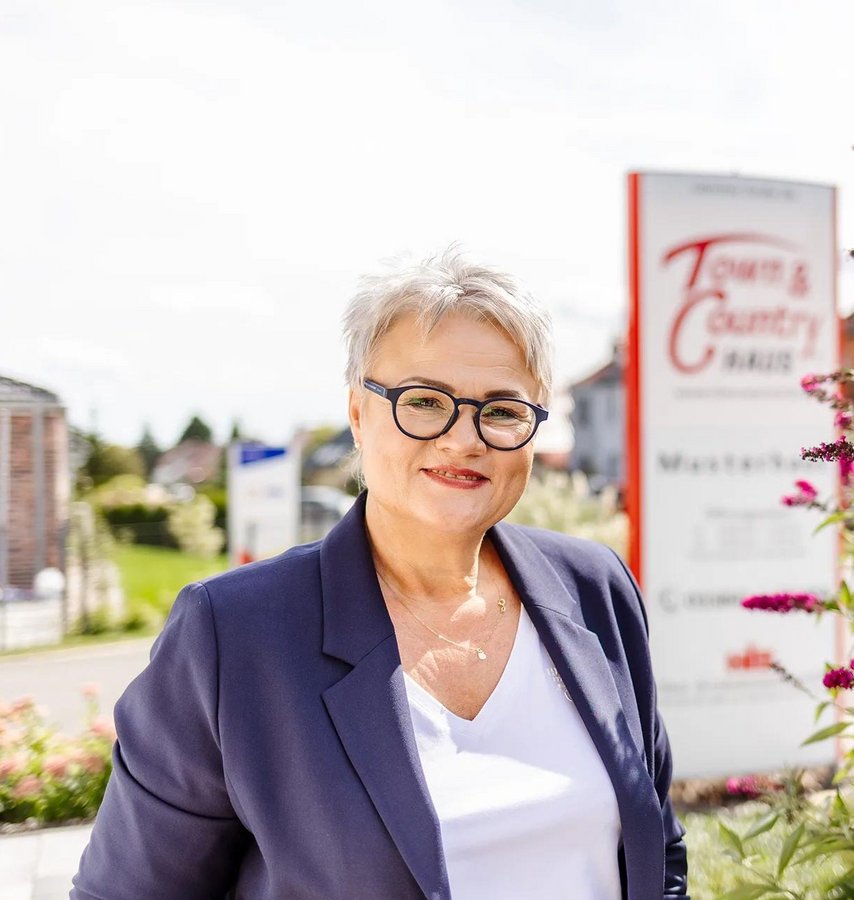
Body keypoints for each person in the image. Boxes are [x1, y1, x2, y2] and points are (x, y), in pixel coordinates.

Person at [71, 249, 688, 900]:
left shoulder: (595, 590)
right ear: (358, 414)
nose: (464, 439)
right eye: (423, 401)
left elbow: (657, 849)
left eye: (502, 410)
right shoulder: (233, 635)